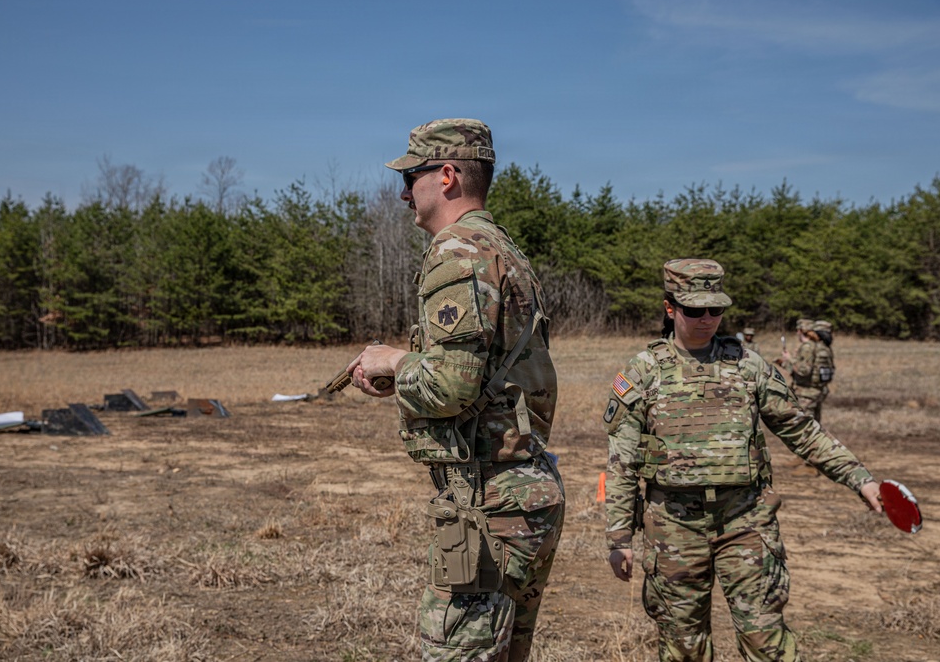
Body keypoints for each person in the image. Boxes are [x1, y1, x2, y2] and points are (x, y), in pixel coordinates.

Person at [346, 118, 565, 662]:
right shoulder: (501, 248)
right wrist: (405, 375)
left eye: (410, 177)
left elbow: (450, 387)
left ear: (446, 176)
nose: (404, 193)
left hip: (488, 502)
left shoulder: (458, 250)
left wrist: (394, 360)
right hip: (522, 492)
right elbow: (487, 373)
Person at [602, 259, 882, 662]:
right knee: (683, 647)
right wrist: (619, 538)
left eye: (715, 309)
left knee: (766, 642)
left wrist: (859, 478)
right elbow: (623, 462)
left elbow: (801, 430)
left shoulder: (748, 366)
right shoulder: (643, 372)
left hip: (745, 521)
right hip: (673, 527)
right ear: (670, 308)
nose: (707, 319)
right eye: (694, 310)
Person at [779, 318, 829, 422]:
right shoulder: (816, 345)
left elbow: (804, 371)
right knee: (814, 427)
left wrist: (790, 358)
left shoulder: (807, 347)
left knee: (804, 427)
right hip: (814, 393)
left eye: (798, 330)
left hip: (806, 395)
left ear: (801, 331)